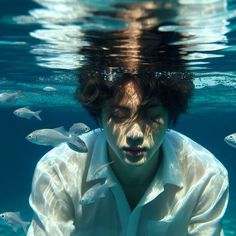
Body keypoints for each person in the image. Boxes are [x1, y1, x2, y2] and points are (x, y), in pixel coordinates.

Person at [27, 5, 229, 236]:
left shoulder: (205, 175)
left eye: (152, 117)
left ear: (170, 117)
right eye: (119, 116)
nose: (134, 133)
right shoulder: (58, 170)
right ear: (99, 116)